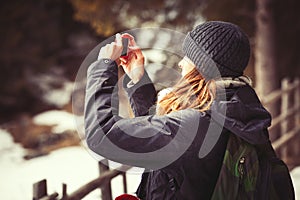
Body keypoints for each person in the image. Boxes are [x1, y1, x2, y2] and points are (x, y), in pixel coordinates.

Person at [84, 21, 295, 199]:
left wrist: (103, 66)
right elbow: (162, 143)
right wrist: (138, 81)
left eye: (189, 57)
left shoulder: (194, 126)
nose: (181, 64)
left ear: (203, 67)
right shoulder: (234, 111)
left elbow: (102, 135)